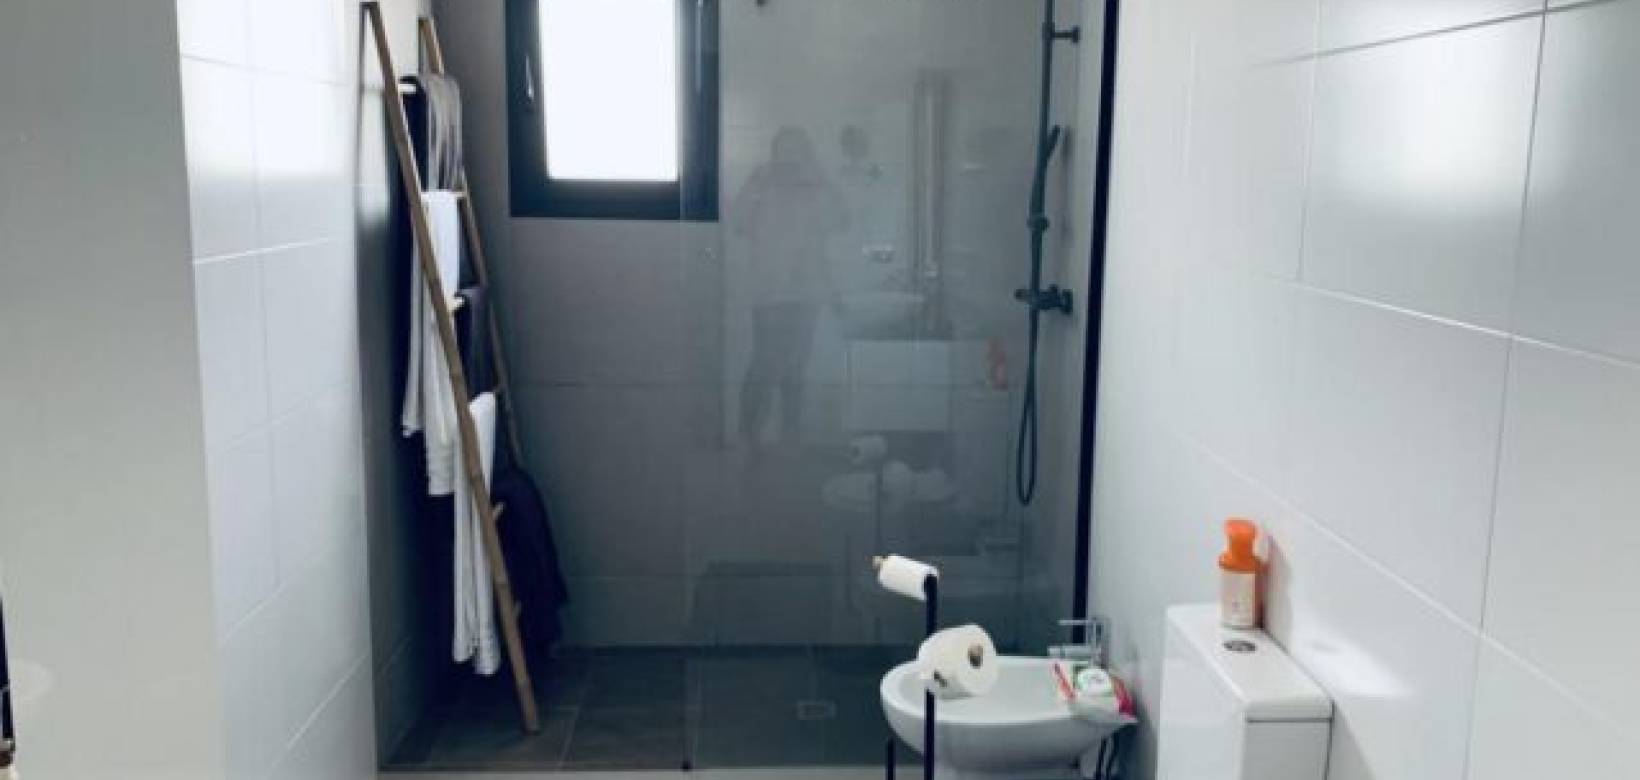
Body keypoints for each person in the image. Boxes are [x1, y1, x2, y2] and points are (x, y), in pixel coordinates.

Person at [732, 126, 846, 448]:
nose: (790, 159)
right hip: (769, 292)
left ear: (806, 155)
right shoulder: (761, 183)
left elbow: (841, 220)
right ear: (774, 154)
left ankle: (790, 435)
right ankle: (748, 433)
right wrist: (755, 185)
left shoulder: (814, 188)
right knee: (764, 362)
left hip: (805, 291)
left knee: (796, 365)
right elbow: (738, 223)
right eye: (784, 150)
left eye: (797, 151)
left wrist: (821, 178)